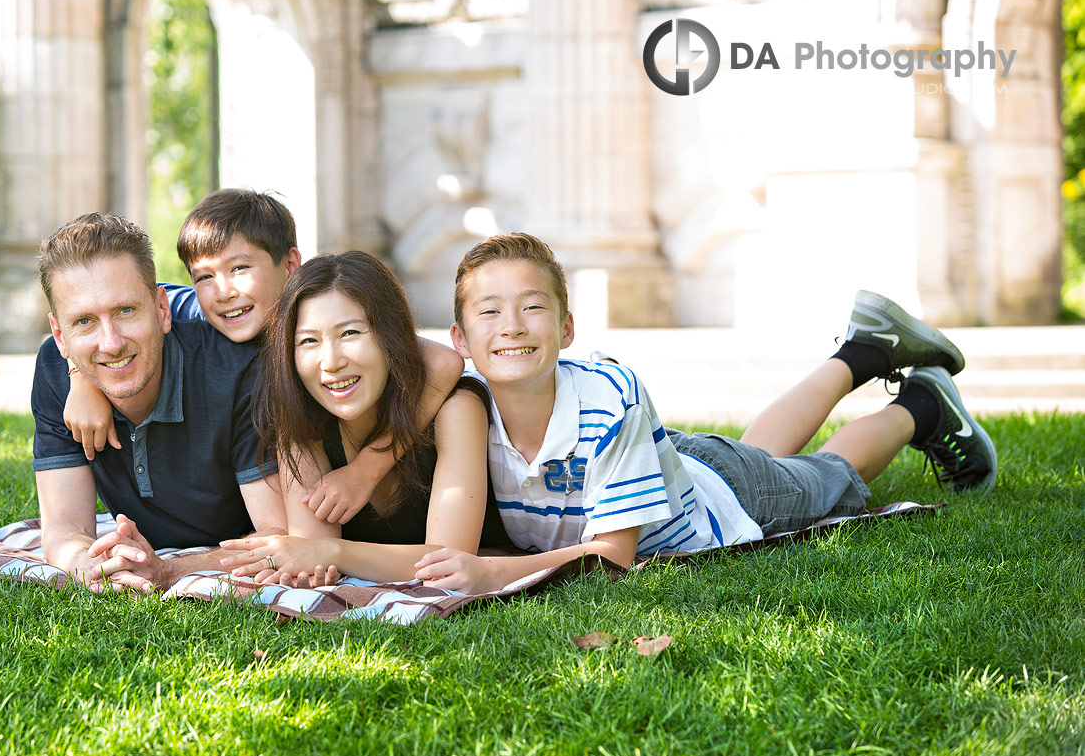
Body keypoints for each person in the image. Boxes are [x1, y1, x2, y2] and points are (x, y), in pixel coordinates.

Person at [413, 233, 997, 594]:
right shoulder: (466, 402)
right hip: (680, 469)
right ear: (460, 339)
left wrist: (492, 573)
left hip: (729, 497)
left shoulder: (608, 397)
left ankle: (921, 408)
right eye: (489, 312)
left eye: (532, 306)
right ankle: (864, 350)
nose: (511, 325)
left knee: (832, 479)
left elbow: (614, 558)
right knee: (763, 456)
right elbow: (399, 354)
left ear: (567, 328)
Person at [58, 189, 464, 527]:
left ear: (290, 265)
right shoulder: (192, 311)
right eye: (204, 276)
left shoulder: (315, 311)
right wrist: (81, 378)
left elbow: (444, 363)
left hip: (395, 481)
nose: (223, 292)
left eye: (239, 268)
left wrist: (366, 471)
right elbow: (104, 313)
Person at [31, 212, 285, 593]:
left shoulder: (238, 371)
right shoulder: (56, 368)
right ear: (59, 335)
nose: (111, 342)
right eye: (84, 321)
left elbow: (276, 536)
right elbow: (64, 527)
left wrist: (167, 570)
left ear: (161, 309)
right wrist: (89, 563)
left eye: (126, 310)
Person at [218, 251, 508, 584]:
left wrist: (332, 552)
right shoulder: (302, 425)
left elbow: (448, 562)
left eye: (350, 333)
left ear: (391, 337)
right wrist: (309, 565)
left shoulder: (456, 409)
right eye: (309, 341)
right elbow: (311, 550)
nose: (331, 362)